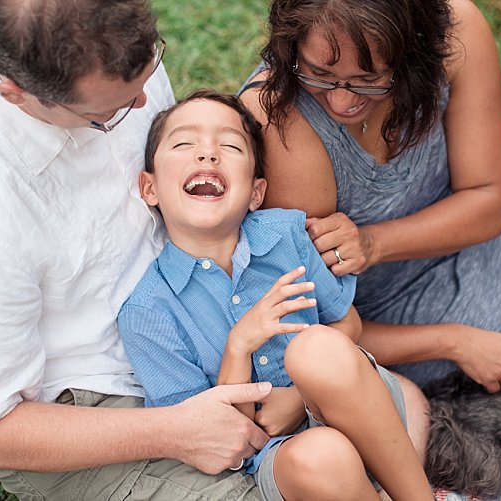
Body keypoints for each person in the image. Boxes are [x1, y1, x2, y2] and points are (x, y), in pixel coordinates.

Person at [0, 1, 272, 498]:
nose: (145, 101)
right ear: (17, 95)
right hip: (87, 408)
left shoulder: (113, 55)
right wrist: (177, 429)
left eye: (149, 68)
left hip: (190, 311)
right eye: (109, 113)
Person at [237, 0, 501, 393]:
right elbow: (314, 329)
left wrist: (372, 242)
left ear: (415, 50)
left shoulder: (457, 31)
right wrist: (455, 342)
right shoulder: (282, 120)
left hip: (461, 223)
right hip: (381, 304)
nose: (342, 100)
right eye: (319, 74)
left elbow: (489, 200)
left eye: (370, 80)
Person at [118, 89, 431, 500]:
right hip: (282, 458)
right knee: (323, 455)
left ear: (255, 193)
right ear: (150, 188)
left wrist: (301, 399)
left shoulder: (284, 234)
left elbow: (347, 322)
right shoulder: (147, 312)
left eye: (229, 146)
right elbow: (216, 436)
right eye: (184, 143)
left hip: (354, 404)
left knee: (318, 348)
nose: (208, 155)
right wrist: (238, 346)